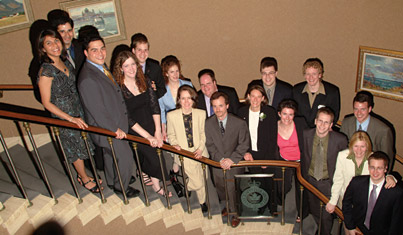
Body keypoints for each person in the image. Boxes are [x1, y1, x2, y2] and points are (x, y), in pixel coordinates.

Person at [36, 28, 99, 193]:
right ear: (43, 48)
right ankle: (84, 178)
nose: (55, 45)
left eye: (56, 41)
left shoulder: (63, 61)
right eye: (49, 43)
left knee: (82, 143)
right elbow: (46, 102)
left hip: (77, 109)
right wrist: (69, 118)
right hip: (64, 115)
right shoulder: (46, 70)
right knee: (74, 148)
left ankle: (84, 174)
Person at [77, 35, 139, 198]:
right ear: (86, 52)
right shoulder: (87, 78)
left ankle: (113, 180)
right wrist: (114, 129)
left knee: (109, 155)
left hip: (113, 122)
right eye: (94, 50)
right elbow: (97, 111)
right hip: (107, 127)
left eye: (102, 48)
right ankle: (122, 186)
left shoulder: (99, 67)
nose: (100, 53)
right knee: (125, 156)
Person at [112, 51, 171, 197]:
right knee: (152, 156)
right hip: (135, 129)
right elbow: (127, 117)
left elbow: (154, 106)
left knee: (156, 153)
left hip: (150, 122)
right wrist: (148, 136)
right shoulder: (118, 88)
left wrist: (157, 130)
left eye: (133, 64)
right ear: (121, 69)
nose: (131, 68)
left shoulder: (144, 79)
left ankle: (148, 174)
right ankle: (156, 184)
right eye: (127, 66)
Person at [326, 131, 396, 234]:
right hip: (347, 201)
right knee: (349, 229)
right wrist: (333, 201)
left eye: (362, 146)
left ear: (367, 146)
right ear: (351, 145)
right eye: (356, 146)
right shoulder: (342, 156)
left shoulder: (373, 158)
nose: (359, 150)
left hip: (366, 203)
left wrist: (391, 177)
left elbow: (380, 172)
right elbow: (338, 180)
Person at [205, 91, 250, 228]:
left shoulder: (239, 123)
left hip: (234, 164)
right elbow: (210, 145)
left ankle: (235, 214)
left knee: (232, 189)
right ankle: (228, 206)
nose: (218, 110)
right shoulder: (208, 123)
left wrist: (231, 160)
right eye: (214, 106)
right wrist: (221, 159)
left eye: (221, 106)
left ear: (227, 105)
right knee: (221, 189)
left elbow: (244, 144)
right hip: (218, 164)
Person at [301, 107, 347, 235]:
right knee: (315, 210)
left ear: (331, 125)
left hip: (328, 183)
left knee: (326, 215)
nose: (322, 125)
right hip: (310, 180)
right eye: (320, 121)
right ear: (315, 121)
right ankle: (320, 229)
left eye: (326, 122)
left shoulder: (340, 140)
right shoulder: (306, 134)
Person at [237, 85, 279, 215]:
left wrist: (267, 159)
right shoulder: (242, 113)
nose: (255, 99)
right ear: (248, 97)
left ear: (263, 98)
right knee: (257, 182)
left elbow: (273, 138)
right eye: (252, 96)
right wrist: (245, 152)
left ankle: (273, 207)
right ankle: (261, 204)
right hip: (251, 154)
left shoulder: (270, 113)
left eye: (258, 97)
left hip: (267, 153)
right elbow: (239, 136)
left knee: (270, 181)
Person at [167, 85, 208, 210]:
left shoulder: (201, 114)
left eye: (189, 98)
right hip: (184, 152)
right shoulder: (172, 115)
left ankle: (188, 186)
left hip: (200, 151)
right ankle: (202, 201)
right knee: (198, 180)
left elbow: (203, 134)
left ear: (193, 99)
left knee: (203, 177)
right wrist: (175, 145)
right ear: (179, 100)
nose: (186, 102)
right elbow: (171, 135)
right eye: (183, 98)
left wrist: (200, 148)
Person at [342, 152, 403, 235]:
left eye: (379, 168)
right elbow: (346, 203)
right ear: (368, 167)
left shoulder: (395, 193)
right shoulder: (356, 183)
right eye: (372, 167)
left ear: (385, 169)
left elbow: (396, 221)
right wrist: (350, 226)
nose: (375, 172)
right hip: (357, 229)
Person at [340, 91, 394, 171]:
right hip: (348, 169)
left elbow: (387, 160)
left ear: (369, 109)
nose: (359, 113)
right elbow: (341, 148)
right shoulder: (346, 122)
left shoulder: (383, 130)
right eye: (356, 109)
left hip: (371, 173)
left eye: (363, 109)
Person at [276, 99, 308, 222]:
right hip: (284, 160)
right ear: (279, 114)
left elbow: (310, 137)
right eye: (284, 114)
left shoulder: (300, 123)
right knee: (283, 186)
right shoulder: (274, 126)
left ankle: (302, 213)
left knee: (302, 187)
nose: (287, 118)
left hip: (300, 160)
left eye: (291, 114)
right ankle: (279, 204)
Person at [292, 58, 340, 128]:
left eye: (314, 74)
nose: (311, 77)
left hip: (322, 131)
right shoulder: (296, 90)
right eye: (308, 74)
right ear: (304, 75)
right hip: (300, 131)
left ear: (320, 75)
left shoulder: (332, 92)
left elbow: (334, 116)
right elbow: (293, 113)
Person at [158, 56, 193, 141]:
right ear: (166, 73)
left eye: (177, 71)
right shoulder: (161, 90)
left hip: (188, 122)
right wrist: (163, 130)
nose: (175, 74)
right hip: (171, 125)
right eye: (172, 72)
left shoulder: (188, 84)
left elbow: (194, 104)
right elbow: (162, 111)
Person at [47, 9, 85, 76]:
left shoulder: (83, 46)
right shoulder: (52, 53)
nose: (67, 35)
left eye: (69, 31)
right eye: (62, 32)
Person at [130, 33, 166, 99]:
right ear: (133, 51)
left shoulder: (155, 67)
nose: (143, 53)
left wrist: (154, 92)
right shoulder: (128, 69)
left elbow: (162, 89)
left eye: (145, 50)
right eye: (139, 50)